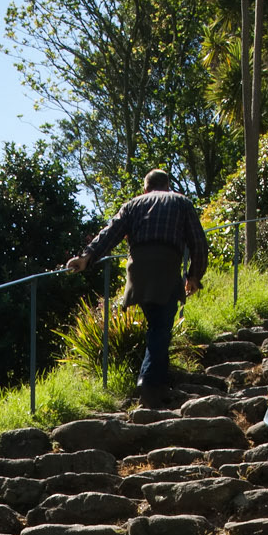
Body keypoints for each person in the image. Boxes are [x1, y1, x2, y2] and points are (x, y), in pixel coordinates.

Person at [65, 169, 208, 398]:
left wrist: (86, 258)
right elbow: (198, 242)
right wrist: (194, 276)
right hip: (166, 266)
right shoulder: (181, 202)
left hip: (138, 270)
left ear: (146, 188)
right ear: (168, 187)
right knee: (161, 325)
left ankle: (158, 382)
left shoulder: (132, 205)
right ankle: (149, 380)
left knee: (156, 324)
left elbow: (110, 234)